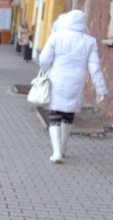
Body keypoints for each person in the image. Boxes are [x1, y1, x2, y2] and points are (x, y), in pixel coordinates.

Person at [38, 9, 108, 164]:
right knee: (68, 114)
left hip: (57, 79)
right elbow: (95, 68)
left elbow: (44, 59)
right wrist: (101, 89)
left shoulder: (57, 36)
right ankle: (63, 147)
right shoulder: (89, 41)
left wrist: (45, 68)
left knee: (55, 114)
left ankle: (56, 152)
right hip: (77, 81)